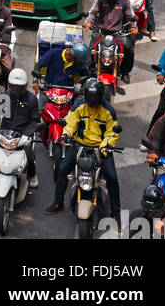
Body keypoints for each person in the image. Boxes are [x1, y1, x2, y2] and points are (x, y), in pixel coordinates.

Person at [46, 77, 120, 221]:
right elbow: (71, 122)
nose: (92, 99)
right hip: (79, 145)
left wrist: (106, 145)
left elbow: (112, 132)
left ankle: (115, 212)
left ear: (100, 95)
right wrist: (65, 135)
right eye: (90, 96)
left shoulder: (108, 110)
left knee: (112, 177)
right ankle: (58, 202)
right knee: (62, 169)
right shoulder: (79, 106)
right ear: (85, 95)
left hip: (101, 147)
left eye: (95, 96)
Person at [0, 68, 41, 202]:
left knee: (28, 156)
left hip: (22, 135)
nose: (16, 89)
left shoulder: (31, 100)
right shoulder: (6, 96)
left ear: (24, 86)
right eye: (14, 86)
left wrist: (27, 135)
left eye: (19, 86)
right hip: (6, 133)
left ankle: (32, 176)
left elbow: (34, 121)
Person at [84, 0, 137, 84]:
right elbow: (92, 13)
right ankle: (89, 71)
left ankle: (125, 71)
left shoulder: (124, 1)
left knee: (128, 49)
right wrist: (88, 22)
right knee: (90, 51)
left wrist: (133, 27)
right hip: (100, 32)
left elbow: (130, 16)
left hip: (117, 34)